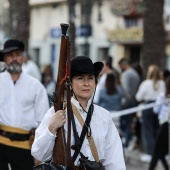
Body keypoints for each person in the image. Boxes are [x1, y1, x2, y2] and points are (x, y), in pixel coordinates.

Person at [31, 56, 126, 170]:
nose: (86, 83)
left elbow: (115, 160)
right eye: (80, 78)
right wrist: (51, 128)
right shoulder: (55, 112)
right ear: (70, 83)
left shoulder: (104, 116)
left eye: (90, 78)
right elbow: (39, 153)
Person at [0, 39, 49, 170]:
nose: (14, 59)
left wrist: (40, 153)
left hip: (25, 145)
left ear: (22, 57)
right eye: (10, 55)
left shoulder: (36, 86)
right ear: (4, 58)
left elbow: (43, 121)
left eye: (17, 55)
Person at [136, 65, 165, 162]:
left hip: (148, 106)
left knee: (147, 131)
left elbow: (138, 97)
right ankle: (159, 153)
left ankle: (150, 153)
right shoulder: (162, 83)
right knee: (157, 130)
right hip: (159, 107)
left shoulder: (146, 83)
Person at [147, 70, 170, 170]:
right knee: (161, 152)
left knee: (157, 151)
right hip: (165, 125)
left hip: (164, 125)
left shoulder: (163, 96)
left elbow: (156, 110)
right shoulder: (163, 97)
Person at [118, 58, 140, 148]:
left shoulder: (126, 74)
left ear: (123, 65)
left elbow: (126, 90)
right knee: (129, 122)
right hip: (134, 101)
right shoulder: (135, 74)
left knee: (125, 123)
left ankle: (125, 142)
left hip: (128, 102)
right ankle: (128, 140)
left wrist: (123, 104)